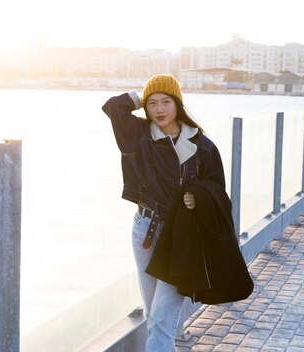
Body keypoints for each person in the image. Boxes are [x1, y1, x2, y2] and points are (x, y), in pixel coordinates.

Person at [102, 74, 226, 351]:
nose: (159, 109)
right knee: (152, 313)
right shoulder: (138, 136)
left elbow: (219, 192)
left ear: (178, 104)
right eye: (152, 103)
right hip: (144, 230)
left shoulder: (203, 146)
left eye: (166, 102)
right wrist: (142, 92)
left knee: (160, 318)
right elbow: (113, 106)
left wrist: (200, 198)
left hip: (182, 238)